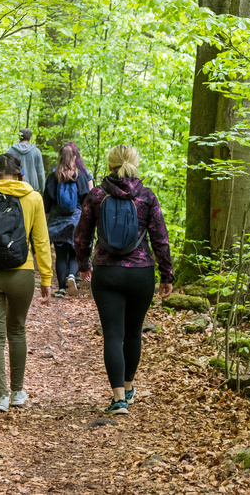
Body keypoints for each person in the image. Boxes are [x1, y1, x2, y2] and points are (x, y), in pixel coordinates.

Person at [74, 145, 173, 415]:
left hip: (107, 273)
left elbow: (81, 236)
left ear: (110, 165)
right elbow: (160, 239)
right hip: (141, 272)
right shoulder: (147, 196)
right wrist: (166, 275)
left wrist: (83, 265)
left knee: (112, 334)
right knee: (133, 333)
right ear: (135, 164)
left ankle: (118, 399)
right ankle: (128, 388)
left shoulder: (97, 195)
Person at [0, 153, 52, 412]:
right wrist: (46, 278)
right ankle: (17, 392)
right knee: (16, 330)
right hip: (21, 273)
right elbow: (41, 241)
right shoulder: (33, 198)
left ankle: (0, 396)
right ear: (19, 172)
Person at [43, 144, 93, 297]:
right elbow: (86, 200)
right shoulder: (80, 176)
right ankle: (72, 275)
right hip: (75, 220)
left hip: (57, 221)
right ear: (74, 158)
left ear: (59, 157)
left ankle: (61, 289)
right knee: (74, 252)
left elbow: (46, 201)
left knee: (60, 255)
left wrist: (46, 219)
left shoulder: (53, 176)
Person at [7, 128, 45, 194]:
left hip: (15, 187)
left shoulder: (11, 151)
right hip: (32, 188)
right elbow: (40, 172)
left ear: (20, 137)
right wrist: (43, 189)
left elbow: (7, 170)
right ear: (29, 138)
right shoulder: (36, 151)